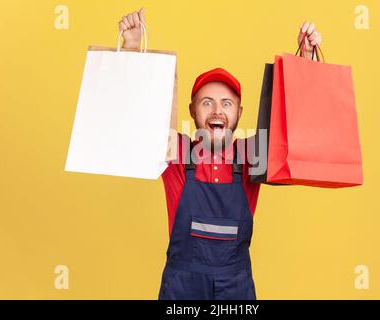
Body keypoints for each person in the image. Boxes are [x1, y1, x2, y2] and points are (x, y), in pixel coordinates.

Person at [118, 8, 323, 300]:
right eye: (207, 103)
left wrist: (306, 62)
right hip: (181, 290)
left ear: (239, 113)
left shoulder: (252, 155)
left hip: (235, 288)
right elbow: (137, 117)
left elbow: (295, 136)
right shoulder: (176, 153)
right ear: (192, 111)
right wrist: (131, 48)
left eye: (227, 104)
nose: (217, 111)